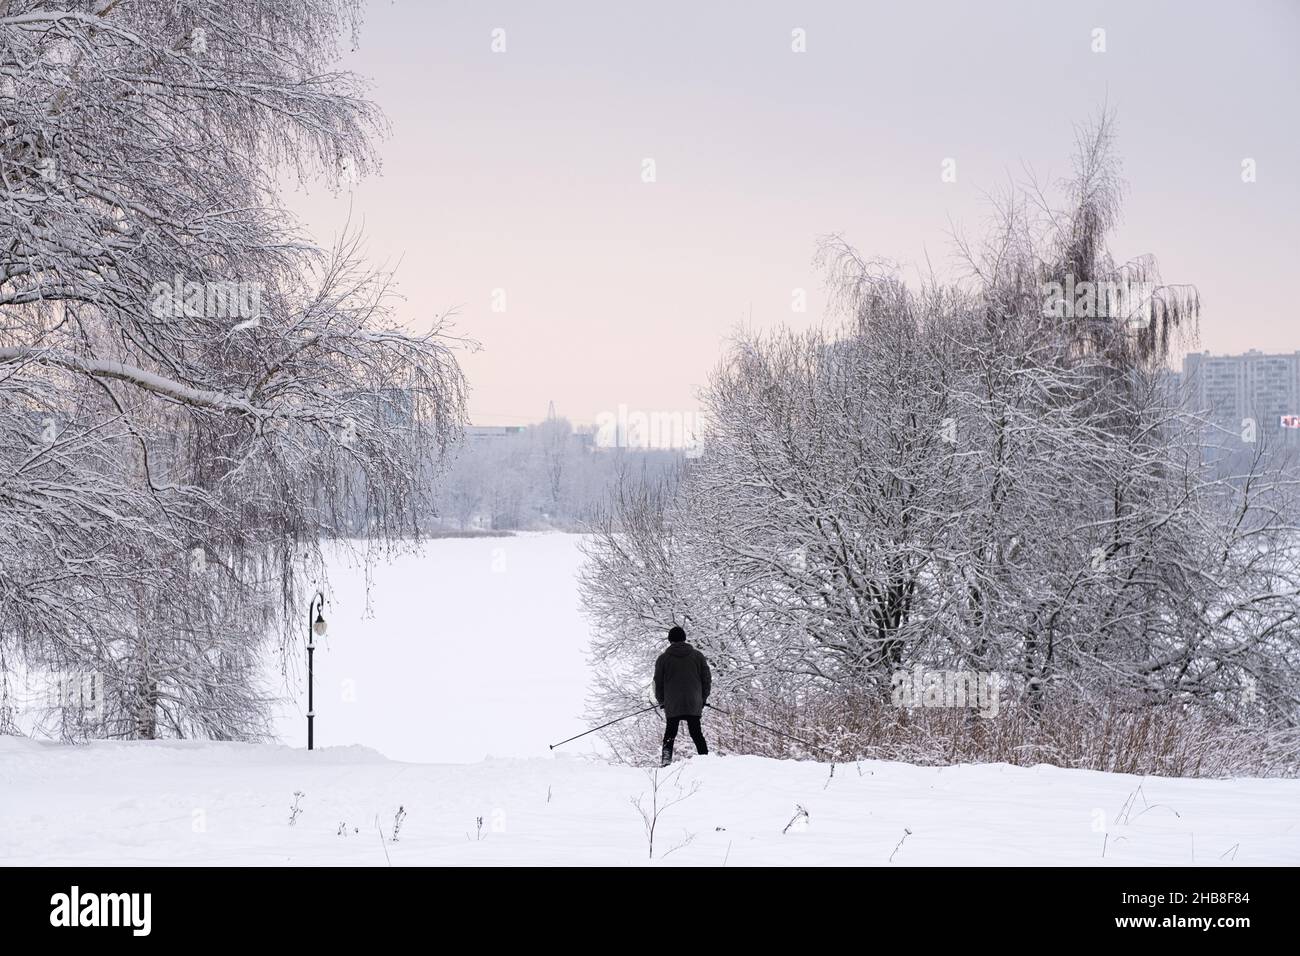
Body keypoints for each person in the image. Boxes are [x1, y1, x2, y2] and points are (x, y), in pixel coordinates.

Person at [654, 624, 712, 766]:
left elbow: (658, 682)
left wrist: (662, 701)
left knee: (670, 735)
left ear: (670, 640)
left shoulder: (663, 659)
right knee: (696, 734)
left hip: (672, 704)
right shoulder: (698, 656)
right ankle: (706, 761)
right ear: (685, 639)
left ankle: (666, 763)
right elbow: (706, 679)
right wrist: (702, 699)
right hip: (693, 701)